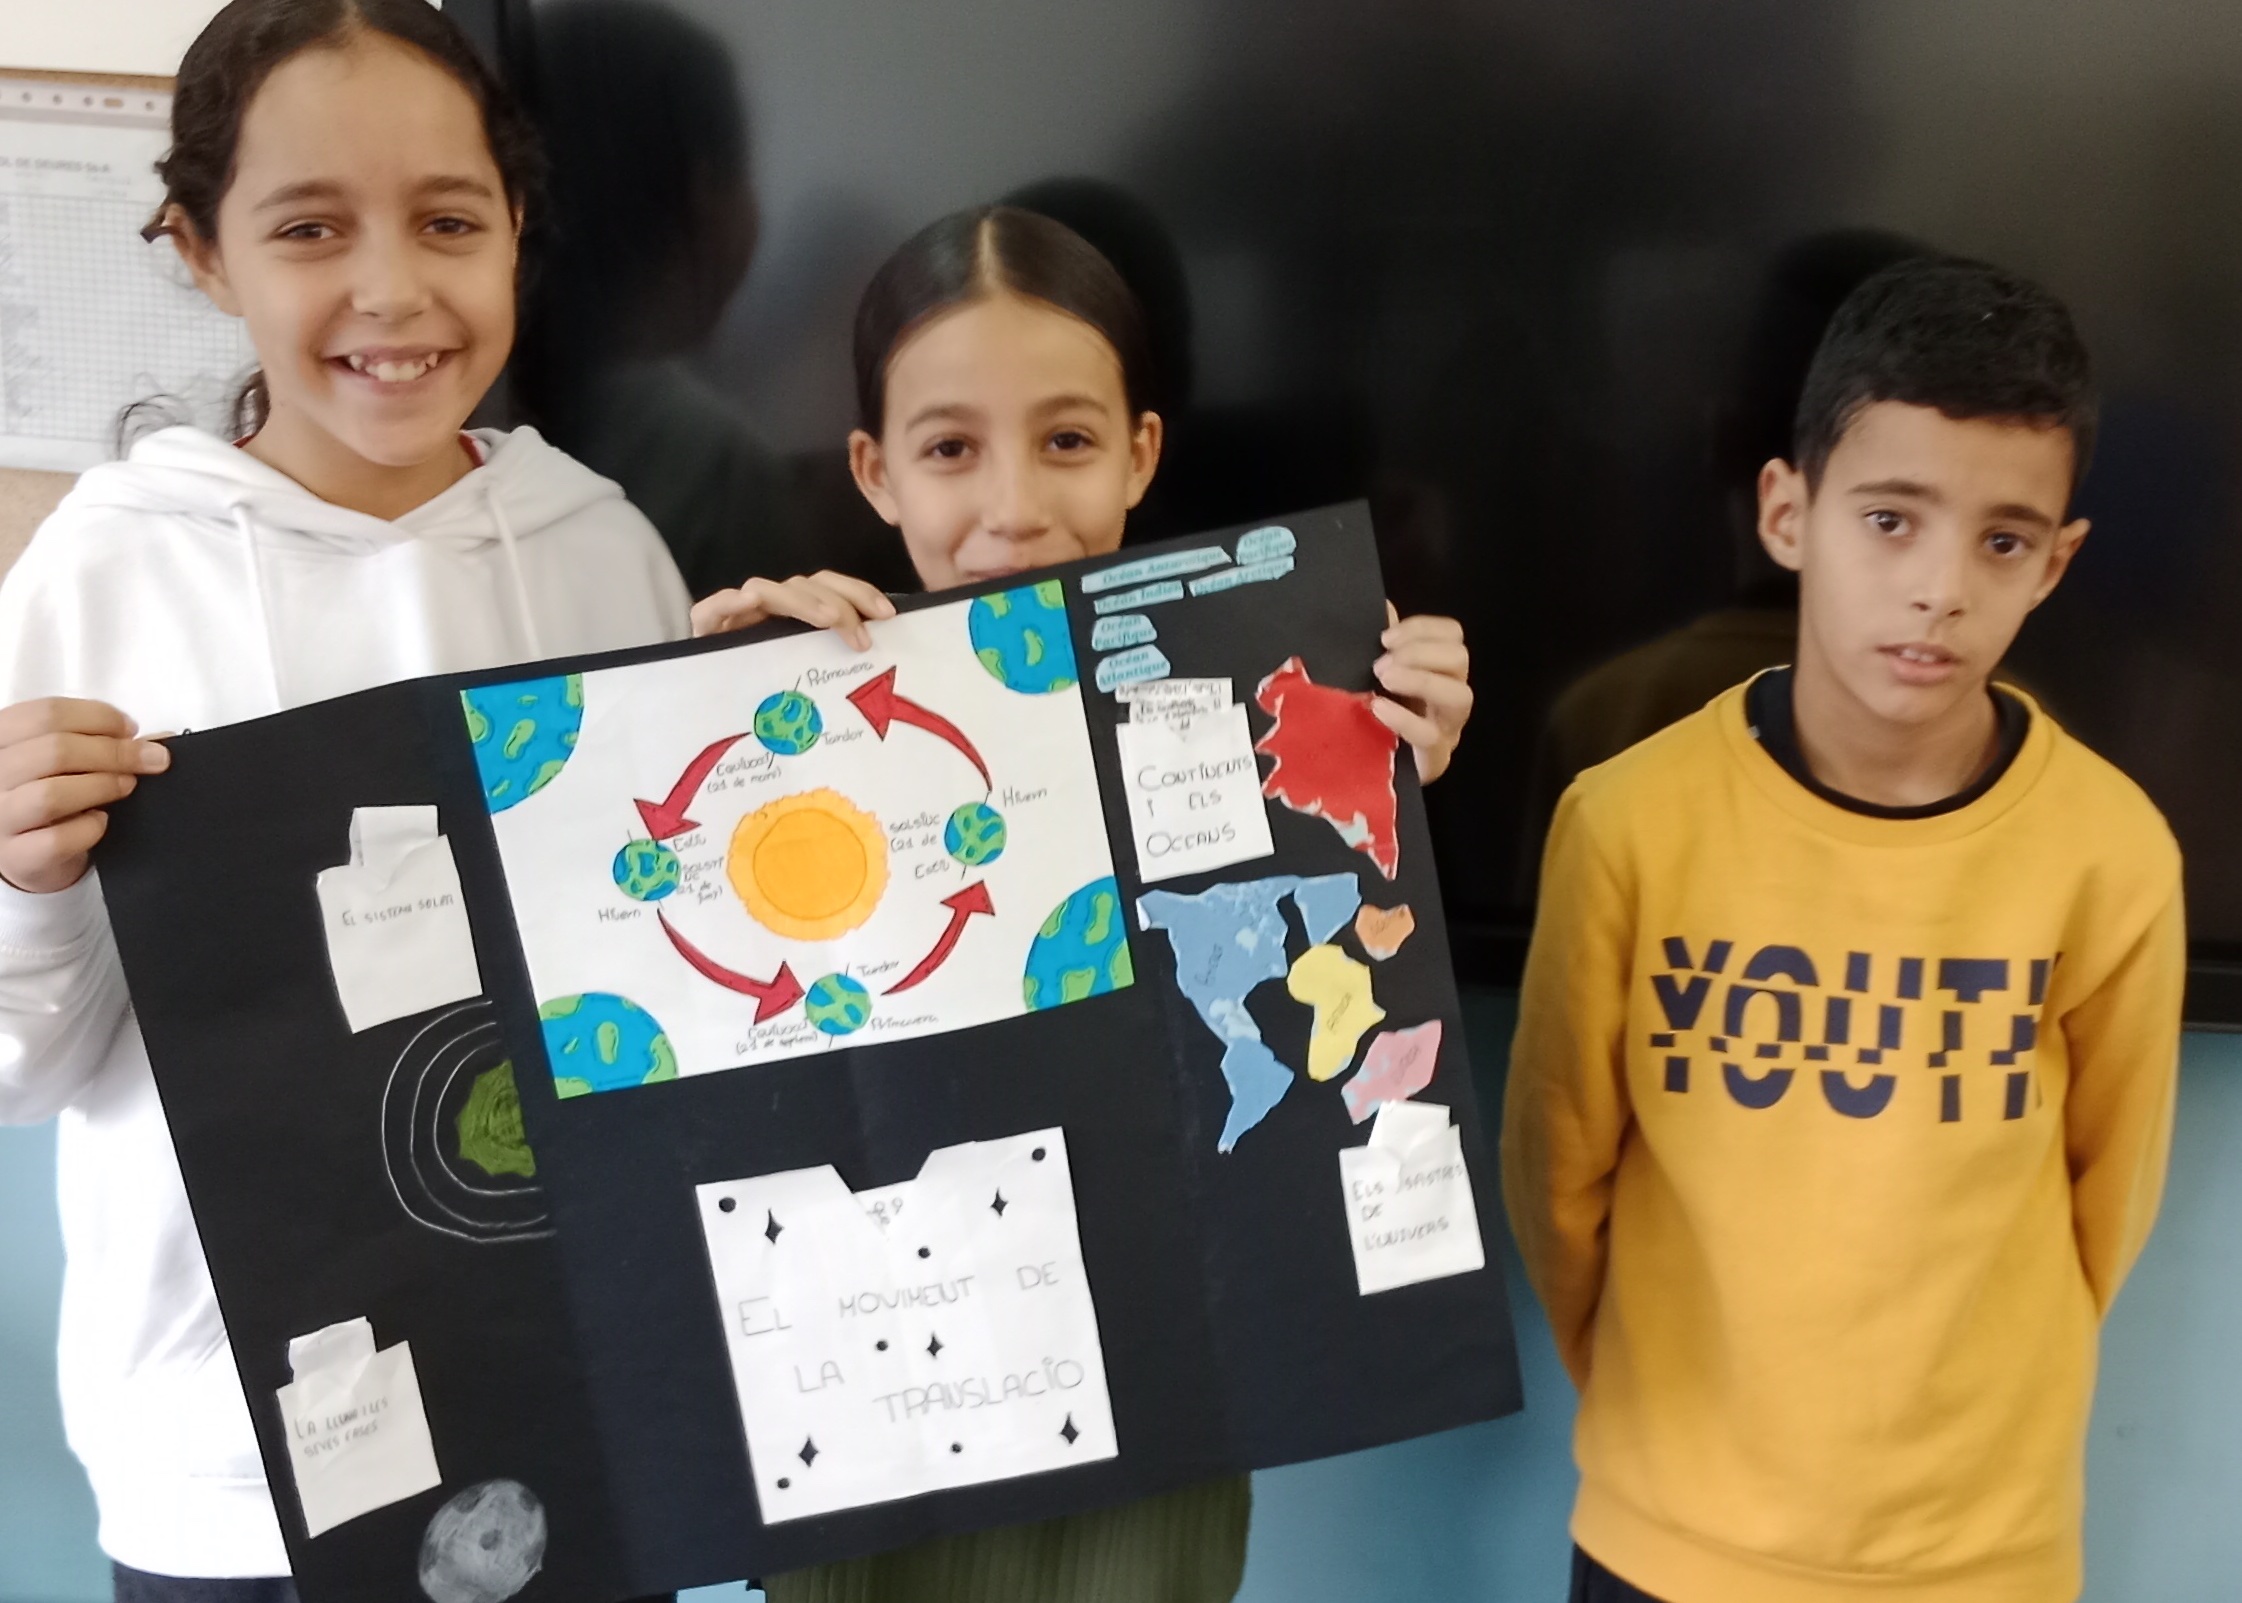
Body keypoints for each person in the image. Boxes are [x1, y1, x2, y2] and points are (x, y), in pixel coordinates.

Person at [0, 1, 689, 1596]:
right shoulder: (103, 573)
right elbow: (28, 1072)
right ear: (202, 252)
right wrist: (27, 884)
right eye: (310, 228)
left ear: (516, 230)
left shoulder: (604, 554)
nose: (390, 290)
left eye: (448, 221)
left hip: (578, 1404)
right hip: (232, 1465)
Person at [692, 203, 1476, 1602]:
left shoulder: (1251, 696)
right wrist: (699, 727)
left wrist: (1387, 773)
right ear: (874, 472)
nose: (1012, 508)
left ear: (1140, 455)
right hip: (872, 1399)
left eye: (1066, 440)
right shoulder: (798, 696)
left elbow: (1314, 1015)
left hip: (1154, 1386)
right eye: (950, 448)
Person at [1502, 254, 2184, 1603]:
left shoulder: (2109, 856)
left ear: (2055, 564)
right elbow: (1557, 1173)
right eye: (1889, 520)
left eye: (2000, 542)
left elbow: (2103, 1205)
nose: (1939, 588)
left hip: (1973, 1561)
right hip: (1665, 1538)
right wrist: (1669, 1446)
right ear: (1786, 512)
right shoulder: (1627, 822)